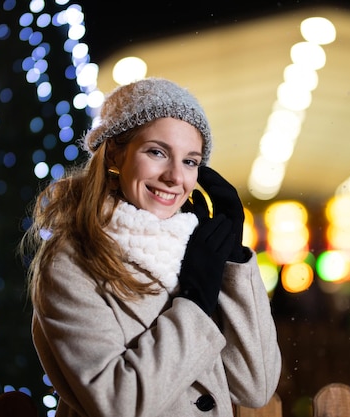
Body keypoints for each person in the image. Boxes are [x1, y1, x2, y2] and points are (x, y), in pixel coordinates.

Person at [21, 77, 281, 416]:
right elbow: (118, 404)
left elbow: (255, 385)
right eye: (157, 152)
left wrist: (232, 261)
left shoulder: (191, 251)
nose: (175, 177)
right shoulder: (72, 261)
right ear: (115, 153)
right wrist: (194, 303)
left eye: (190, 161)